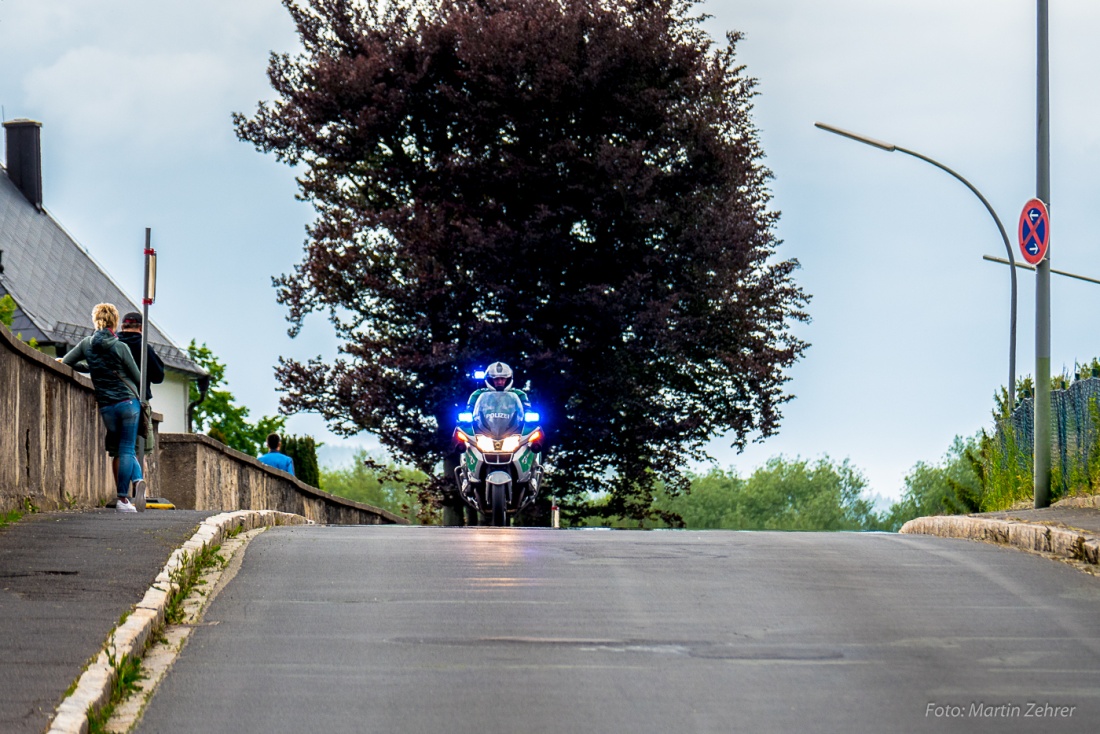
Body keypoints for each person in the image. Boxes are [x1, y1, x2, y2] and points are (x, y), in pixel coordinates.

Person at [58, 303, 145, 513]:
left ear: (95, 320)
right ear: (115, 322)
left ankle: (136, 482)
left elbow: (67, 362)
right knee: (127, 448)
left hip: (107, 407)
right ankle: (125, 497)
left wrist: (89, 367)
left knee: (121, 447)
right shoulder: (120, 347)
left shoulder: (86, 344)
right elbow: (137, 377)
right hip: (127, 403)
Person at [109, 312, 164, 474]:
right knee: (139, 452)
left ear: (122, 326)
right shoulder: (144, 348)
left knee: (119, 452)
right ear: (141, 327)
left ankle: (122, 496)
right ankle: (138, 494)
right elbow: (158, 376)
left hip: (113, 403)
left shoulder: (110, 345)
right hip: (137, 402)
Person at [465, 362, 531, 412]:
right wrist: (468, 412)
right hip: (483, 428)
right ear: (490, 379)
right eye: (496, 379)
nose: (499, 382)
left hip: (514, 428)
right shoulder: (477, 394)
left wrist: (528, 411)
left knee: (534, 428)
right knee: (462, 428)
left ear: (508, 379)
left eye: (503, 379)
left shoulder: (519, 394)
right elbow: (469, 410)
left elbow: (527, 409)